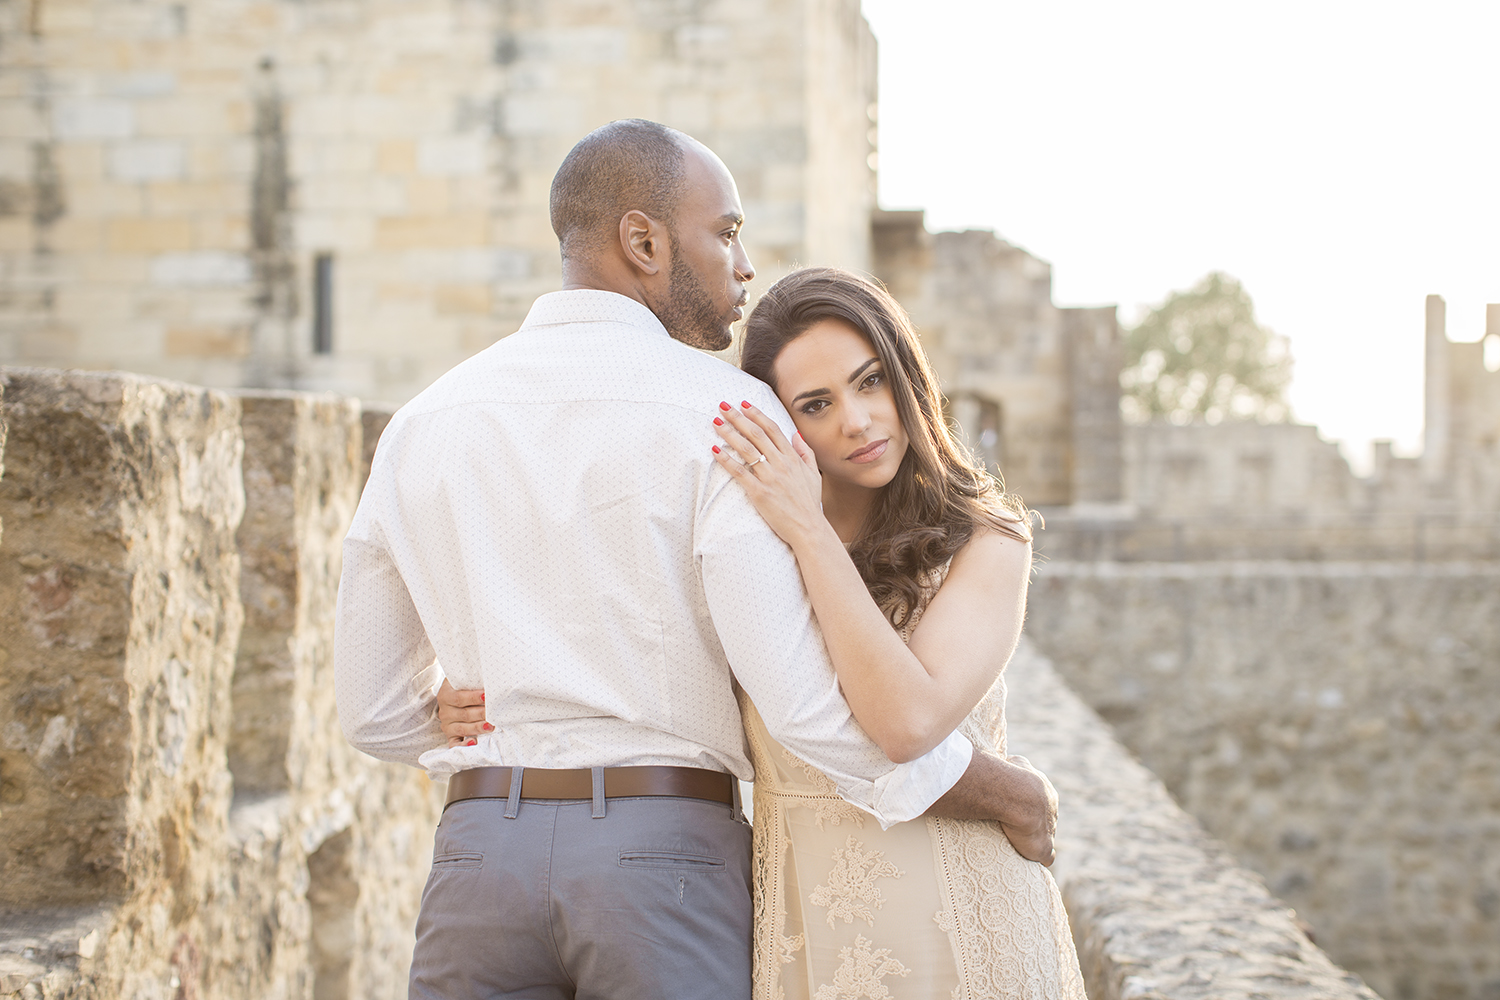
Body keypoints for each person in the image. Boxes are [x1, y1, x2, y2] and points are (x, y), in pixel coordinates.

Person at [335, 119, 1058, 1000]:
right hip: (660, 861)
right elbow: (805, 708)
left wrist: (451, 721)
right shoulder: (725, 416)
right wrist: (995, 792)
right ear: (643, 241)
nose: (742, 265)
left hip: (479, 851)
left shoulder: (422, 424)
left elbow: (372, 713)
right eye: (725, 232)